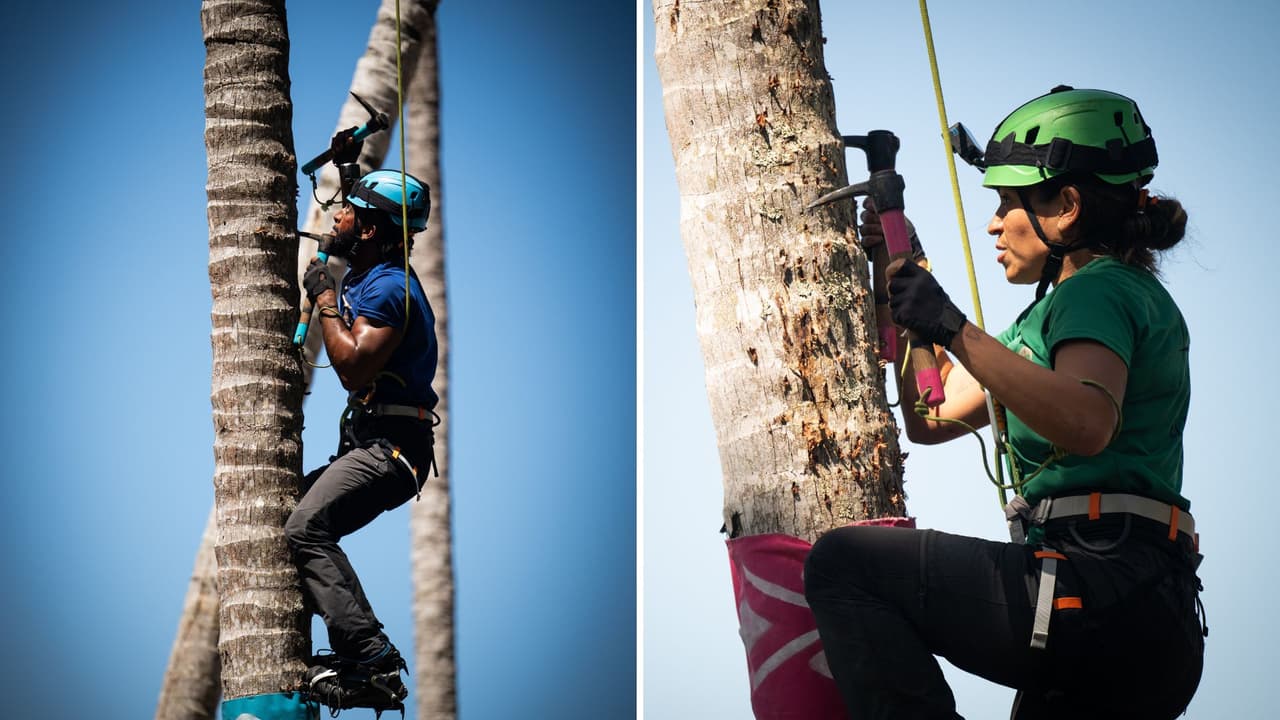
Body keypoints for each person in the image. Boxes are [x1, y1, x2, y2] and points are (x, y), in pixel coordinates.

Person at [803, 86, 1206, 719]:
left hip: (1098, 588)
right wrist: (897, 274)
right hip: (1142, 616)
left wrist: (954, 328)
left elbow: (1086, 420)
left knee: (845, 566)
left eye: (1006, 204)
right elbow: (931, 418)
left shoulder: (1096, 291)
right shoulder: (1047, 322)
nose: (993, 223)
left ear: (1067, 207)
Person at [285, 169, 438, 711]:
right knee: (287, 519)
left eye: (346, 208)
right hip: (372, 444)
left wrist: (325, 296)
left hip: (394, 451)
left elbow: (350, 367)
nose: (335, 214)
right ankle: (342, 652)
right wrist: (350, 170)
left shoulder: (392, 288)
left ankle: (370, 661)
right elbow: (359, 222)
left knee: (306, 527)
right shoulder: (373, 266)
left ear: (371, 231)